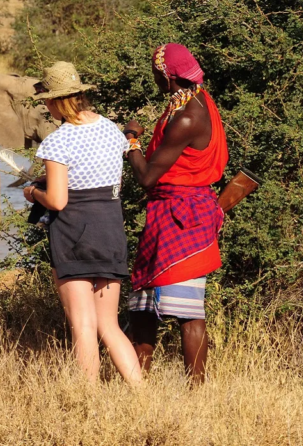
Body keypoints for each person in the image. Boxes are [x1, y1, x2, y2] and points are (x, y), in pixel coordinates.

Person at [24, 61, 142, 385]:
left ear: (55, 101)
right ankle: (143, 396)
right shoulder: (111, 130)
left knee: (83, 325)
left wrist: (34, 192)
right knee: (110, 325)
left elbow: (59, 200)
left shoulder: (58, 141)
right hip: (110, 230)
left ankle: (87, 401)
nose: (46, 106)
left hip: (74, 234)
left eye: (47, 99)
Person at [123, 43, 229, 384]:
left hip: (181, 219)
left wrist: (132, 141)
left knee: (188, 313)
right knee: (143, 306)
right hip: (178, 214)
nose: (154, 78)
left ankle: (196, 390)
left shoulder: (186, 117)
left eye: (157, 73)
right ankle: (137, 385)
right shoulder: (200, 101)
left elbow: (147, 177)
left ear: (169, 77)